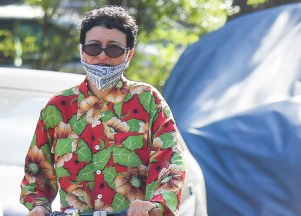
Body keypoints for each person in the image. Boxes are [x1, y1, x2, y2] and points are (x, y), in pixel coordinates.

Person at [20, 5, 185, 216]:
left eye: (114, 49)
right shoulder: (58, 107)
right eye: (93, 47)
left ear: (129, 54)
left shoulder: (148, 100)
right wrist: (38, 206)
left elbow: (170, 161)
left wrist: (155, 204)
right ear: (81, 50)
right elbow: (37, 171)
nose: (102, 56)